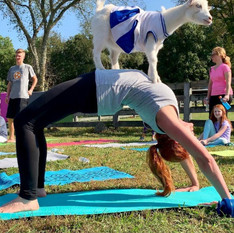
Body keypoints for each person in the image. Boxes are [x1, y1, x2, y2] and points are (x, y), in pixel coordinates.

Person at [0, 69, 231, 213]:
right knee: (34, 122)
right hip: (98, 84)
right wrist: (195, 183)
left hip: (97, 90)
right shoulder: (173, 114)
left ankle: (28, 197)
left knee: (24, 122)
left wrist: (227, 199)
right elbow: (187, 153)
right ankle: (36, 189)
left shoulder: (166, 120)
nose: (190, 131)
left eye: (185, 138)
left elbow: (204, 158)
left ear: (174, 138)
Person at [5, 48, 38, 143]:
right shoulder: (12, 69)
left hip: (23, 96)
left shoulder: (28, 67)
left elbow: (35, 79)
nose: (17, 57)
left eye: (19, 56)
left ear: (23, 57)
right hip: (12, 97)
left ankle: (23, 137)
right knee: (10, 118)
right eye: (16, 55)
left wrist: (31, 89)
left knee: (21, 118)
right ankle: (11, 138)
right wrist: (7, 96)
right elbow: (10, 83)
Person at [205, 47, 233, 116]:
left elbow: (228, 82)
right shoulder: (211, 69)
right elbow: (210, 84)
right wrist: (207, 97)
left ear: (219, 55)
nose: (211, 57)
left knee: (221, 117)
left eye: (213, 55)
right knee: (212, 117)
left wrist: (227, 95)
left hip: (223, 95)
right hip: (213, 95)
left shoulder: (225, 67)